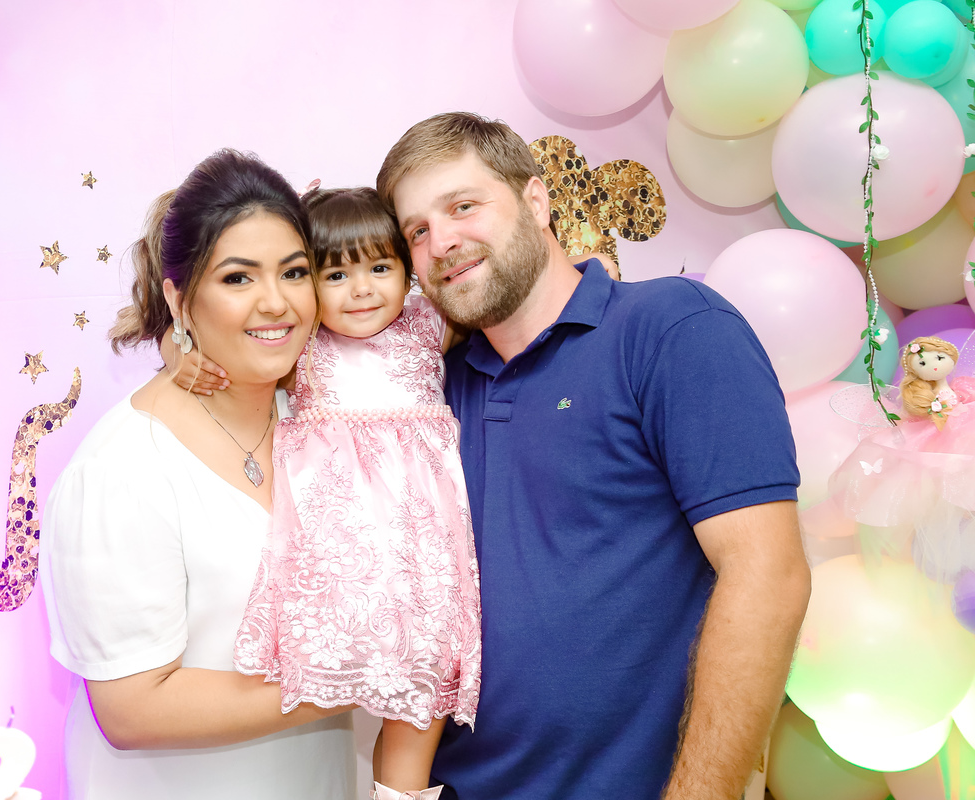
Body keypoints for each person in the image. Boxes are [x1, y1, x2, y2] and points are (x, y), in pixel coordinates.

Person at [375, 112, 811, 800]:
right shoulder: (429, 389)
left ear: (536, 201)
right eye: (417, 232)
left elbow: (768, 577)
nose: (442, 243)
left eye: (462, 207)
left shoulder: (671, 327)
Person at [38, 150, 356, 799]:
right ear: (179, 299)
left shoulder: (325, 419)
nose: (276, 302)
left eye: (295, 272)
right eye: (238, 278)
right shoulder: (122, 469)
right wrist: (356, 680)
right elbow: (133, 709)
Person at [178, 187, 482, 800]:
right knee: (330, 687)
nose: (362, 290)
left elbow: (503, 298)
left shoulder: (431, 324)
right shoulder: (302, 345)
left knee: (420, 700)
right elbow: (200, 333)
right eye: (336, 274)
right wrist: (177, 355)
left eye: (380, 268)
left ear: (407, 270)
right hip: (339, 558)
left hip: (422, 558)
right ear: (308, 285)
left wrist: (591, 264)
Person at [829, 334, 975, 578]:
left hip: (962, 434)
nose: (934, 366)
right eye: (924, 363)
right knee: (936, 487)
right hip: (934, 441)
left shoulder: (962, 387)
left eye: (940, 358)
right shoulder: (920, 398)